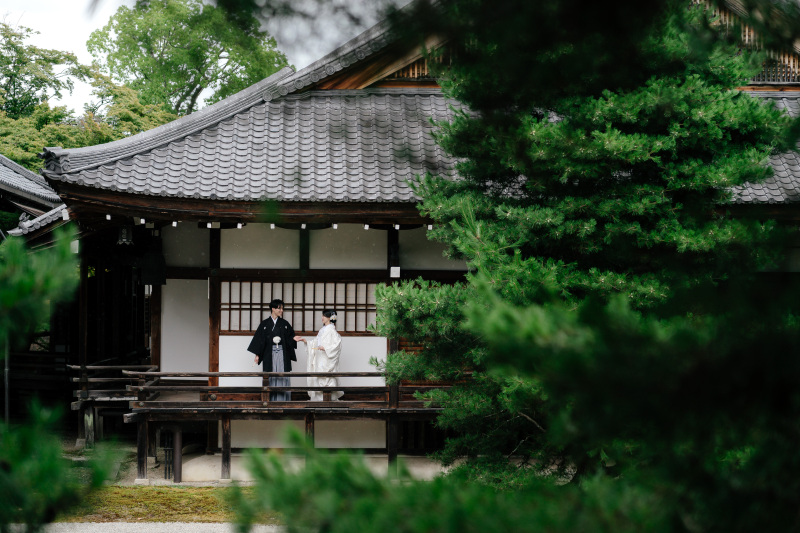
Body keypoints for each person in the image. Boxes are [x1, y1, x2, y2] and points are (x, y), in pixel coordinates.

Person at [247, 299, 298, 402]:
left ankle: (283, 401)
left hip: (282, 354)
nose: (281, 310)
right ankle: (269, 400)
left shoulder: (285, 323)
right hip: (268, 354)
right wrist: (257, 355)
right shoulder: (264, 324)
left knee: (282, 376)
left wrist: (293, 339)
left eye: (282, 308)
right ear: (273, 309)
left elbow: (290, 337)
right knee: (270, 376)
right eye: (279, 308)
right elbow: (259, 340)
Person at [297, 309, 343, 401]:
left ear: (330, 318)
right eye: (322, 315)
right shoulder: (322, 330)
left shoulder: (332, 331)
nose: (322, 318)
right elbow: (315, 342)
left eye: (324, 316)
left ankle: (328, 400)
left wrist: (326, 348)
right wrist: (306, 341)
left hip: (327, 359)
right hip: (320, 358)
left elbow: (337, 345)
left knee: (327, 379)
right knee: (319, 378)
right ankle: (319, 400)